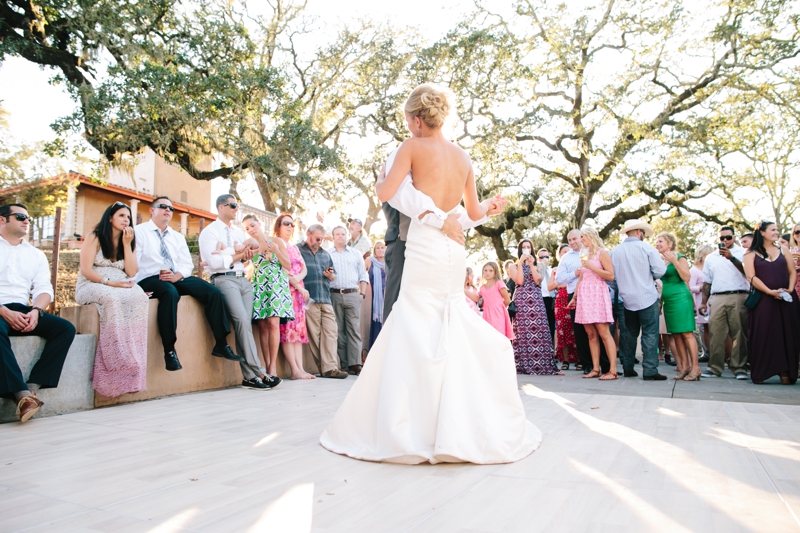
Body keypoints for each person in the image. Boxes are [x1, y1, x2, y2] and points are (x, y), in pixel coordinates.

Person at [321, 83, 541, 464]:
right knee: (450, 318)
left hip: (424, 244)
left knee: (415, 320)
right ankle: (458, 421)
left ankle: (412, 423)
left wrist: (379, 180)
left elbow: (386, 193)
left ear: (418, 120)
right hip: (454, 249)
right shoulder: (463, 157)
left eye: (408, 120)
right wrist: (489, 206)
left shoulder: (410, 148)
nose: (408, 127)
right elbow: (472, 214)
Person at [135, 197, 240, 372]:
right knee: (170, 293)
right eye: (163, 207)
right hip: (150, 277)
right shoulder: (140, 231)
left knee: (212, 292)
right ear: (151, 210)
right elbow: (134, 262)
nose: (168, 210)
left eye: (171, 208)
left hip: (176, 276)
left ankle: (221, 343)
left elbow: (186, 264)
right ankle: (169, 351)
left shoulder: (177, 237)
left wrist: (177, 275)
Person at [0, 204, 76, 423]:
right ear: (2, 220)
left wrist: (35, 311)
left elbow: (44, 290)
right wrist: (4, 312)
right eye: (20, 216)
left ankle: (31, 389)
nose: (27, 221)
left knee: (65, 328)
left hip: (25, 309)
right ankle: (20, 395)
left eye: (28, 218)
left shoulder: (35, 255)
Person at [199, 195, 281, 390]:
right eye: (233, 205)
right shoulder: (209, 232)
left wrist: (234, 254)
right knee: (242, 320)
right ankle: (260, 371)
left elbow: (246, 256)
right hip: (224, 279)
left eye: (237, 205)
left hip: (243, 280)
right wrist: (235, 255)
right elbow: (215, 263)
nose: (237, 209)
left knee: (243, 325)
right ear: (221, 207)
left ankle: (249, 378)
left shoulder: (237, 233)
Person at [76, 202, 149, 397]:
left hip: (121, 284)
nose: (126, 220)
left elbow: (132, 272)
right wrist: (109, 283)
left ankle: (134, 359)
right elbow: (86, 269)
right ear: (110, 217)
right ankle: (116, 358)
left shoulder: (129, 239)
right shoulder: (95, 237)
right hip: (94, 284)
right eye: (121, 216)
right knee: (111, 299)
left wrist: (126, 245)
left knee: (141, 297)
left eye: (128, 217)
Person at [611, 219, 667, 380]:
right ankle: (650, 370)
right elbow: (660, 271)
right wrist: (649, 277)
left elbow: (611, 278)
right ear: (638, 232)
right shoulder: (647, 248)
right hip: (647, 296)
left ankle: (628, 367)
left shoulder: (615, 251)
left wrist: (620, 287)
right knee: (650, 333)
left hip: (626, 299)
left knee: (629, 334)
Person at [743, 221, 798, 385]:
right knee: (764, 334)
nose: (776, 232)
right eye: (773, 230)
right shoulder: (750, 253)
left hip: (787, 299)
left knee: (787, 334)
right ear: (762, 232)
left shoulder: (784, 250)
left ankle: (786, 372)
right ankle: (761, 371)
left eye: (777, 230)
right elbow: (751, 277)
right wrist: (769, 291)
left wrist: (789, 289)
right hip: (764, 300)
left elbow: (792, 271)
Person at [243, 214, 294, 378]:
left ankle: (273, 367)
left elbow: (288, 265)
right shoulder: (251, 247)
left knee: (273, 324)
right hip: (259, 286)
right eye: (247, 228)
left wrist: (277, 251)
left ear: (259, 224)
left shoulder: (277, 241)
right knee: (263, 327)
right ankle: (265, 366)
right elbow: (249, 268)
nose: (251, 229)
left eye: (252, 225)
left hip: (276, 287)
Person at [698, 225, 750, 380]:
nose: (725, 241)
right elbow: (707, 281)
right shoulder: (711, 257)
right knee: (716, 334)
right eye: (722, 238)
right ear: (718, 239)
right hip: (717, 297)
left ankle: (739, 367)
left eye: (728, 237)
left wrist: (731, 258)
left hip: (738, 295)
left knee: (739, 333)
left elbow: (748, 272)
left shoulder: (743, 253)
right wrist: (703, 302)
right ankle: (714, 367)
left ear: (734, 238)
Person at [556, 229, 610, 375]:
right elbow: (559, 279)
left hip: (595, 294)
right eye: (570, 240)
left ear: (583, 238)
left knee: (601, 331)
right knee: (582, 333)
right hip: (576, 295)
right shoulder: (566, 258)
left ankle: (606, 365)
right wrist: (574, 273)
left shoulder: (596, 253)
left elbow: (609, 273)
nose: (573, 242)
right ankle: (587, 364)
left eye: (576, 238)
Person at [298, 224, 348, 379]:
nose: (319, 242)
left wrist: (330, 275)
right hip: (309, 298)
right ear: (308, 234)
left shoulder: (325, 254)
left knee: (331, 332)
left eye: (321, 239)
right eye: (317, 238)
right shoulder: (297, 250)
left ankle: (330, 367)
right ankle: (327, 369)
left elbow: (333, 275)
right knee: (315, 335)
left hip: (325, 298)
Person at [571, 227, 617, 380]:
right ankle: (596, 368)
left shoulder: (602, 253)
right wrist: (575, 297)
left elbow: (610, 275)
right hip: (584, 294)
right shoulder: (584, 255)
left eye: (583, 236)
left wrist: (592, 267)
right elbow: (582, 277)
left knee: (604, 333)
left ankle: (613, 370)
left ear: (591, 236)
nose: (581, 239)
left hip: (597, 292)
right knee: (591, 334)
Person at [655, 232, 701, 381]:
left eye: (661, 241)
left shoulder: (680, 257)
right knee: (675, 334)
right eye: (657, 242)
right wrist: (660, 302)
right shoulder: (662, 262)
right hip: (668, 300)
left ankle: (695, 368)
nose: (658, 244)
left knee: (687, 333)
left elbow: (686, 277)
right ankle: (684, 367)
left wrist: (675, 261)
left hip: (680, 298)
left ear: (670, 243)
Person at [274, 214, 315, 380]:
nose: (290, 226)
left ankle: (301, 368)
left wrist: (299, 280)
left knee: (298, 332)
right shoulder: (277, 242)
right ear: (278, 225)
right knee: (289, 330)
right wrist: (296, 283)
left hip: (299, 292)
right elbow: (281, 266)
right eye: (286, 223)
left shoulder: (295, 246)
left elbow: (303, 268)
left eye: (292, 224)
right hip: (286, 290)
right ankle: (294, 370)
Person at [512, 239, 561, 375]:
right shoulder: (514, 266)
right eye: (524, 247)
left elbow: (538, 281)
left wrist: (531, 264)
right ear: (520, 250)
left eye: (528, 247)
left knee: (540, 330)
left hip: (536, 300)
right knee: (523, 332)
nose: (526, 249)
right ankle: (524, 364)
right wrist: (521, 263)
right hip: (522, 301)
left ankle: (542, 364)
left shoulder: (540, 265)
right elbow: (520, 281)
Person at [328, 226, 369, 375]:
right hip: (334, 294)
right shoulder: (327, 254)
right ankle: (345, 364)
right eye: (337, 234)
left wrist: (362, 294)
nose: (340, 236)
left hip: (352, 294)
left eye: (343, 234)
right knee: (338, 330)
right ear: (333, 237)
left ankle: (355, 363)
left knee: (354, 329)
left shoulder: (355, 254)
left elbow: (363, 276)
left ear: (347, 236)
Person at [549, 244, 579, 370]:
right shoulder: (555, 270)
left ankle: (579, 358)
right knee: (562, 330)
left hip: (574, 297)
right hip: (561, 301)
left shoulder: (577, 266)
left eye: (568, 251)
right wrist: (561, 283)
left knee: (576, 328)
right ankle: (565, 360)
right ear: (559, 254)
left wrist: (563, 282)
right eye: (563, 252)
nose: (565, 254)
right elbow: (549, 286)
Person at [690, 245, 715, 362]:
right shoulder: (694, 270)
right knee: (706, 328)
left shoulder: (711, 268)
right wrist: (701, 287)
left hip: (713, 300)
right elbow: (690, 287)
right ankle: (709, 353)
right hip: (701, 301)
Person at [479, 262, 513, 339]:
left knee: (499, 335)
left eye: (491, 271)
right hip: (487, 314)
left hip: (499, 313)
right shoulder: (482, 287)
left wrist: (499, 307)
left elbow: (507, 300)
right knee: (490, 336)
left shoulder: (499, 283)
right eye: (485, 270)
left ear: (495, 272)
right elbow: (477, 298)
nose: (487, 273)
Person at [364, 240, 386, 351]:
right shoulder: (369, 261)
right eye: (378, 248)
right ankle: (373, 351)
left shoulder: (390, 261)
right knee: (374, 323)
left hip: (386, 297)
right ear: (374, 250)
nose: (380, 250)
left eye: (382, 247)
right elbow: (361, 274)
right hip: (372, 298)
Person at [538, 248, 557, 338]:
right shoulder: (536, 270)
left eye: (546, 257)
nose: (544, 259)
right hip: (541, 300)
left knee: (551, 326)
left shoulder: (552, 270)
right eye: (541, 257)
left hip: (552, 300)